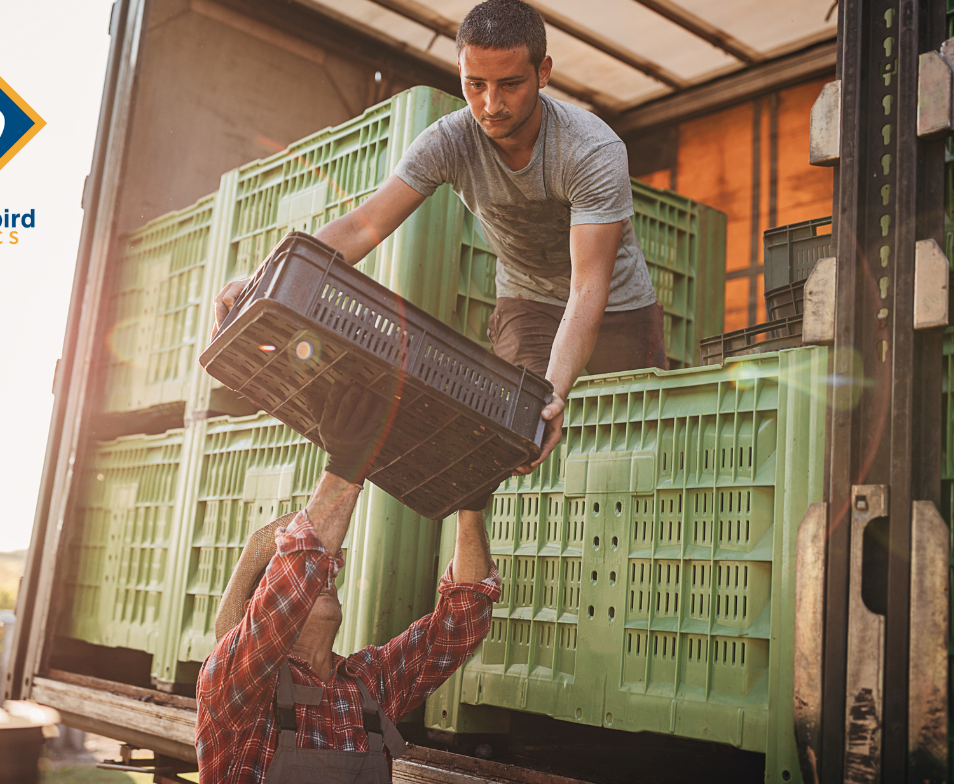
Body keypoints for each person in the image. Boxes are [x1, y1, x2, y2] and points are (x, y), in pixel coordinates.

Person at [212, 0, 663, 528]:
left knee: (642, 436)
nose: (491, 104)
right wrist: (267, 277)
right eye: (475, 85)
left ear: (543, 73)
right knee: (511, 433)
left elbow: (589, 288)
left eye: (510, 84)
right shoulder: (450, 140)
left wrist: (557, 391)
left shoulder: (591, 150)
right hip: (528, 299)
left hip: (619, 306)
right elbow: (364, 226)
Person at [196, 382, 501, 784]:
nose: (326, 574)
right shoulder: (238, 683)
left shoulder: (368, 683)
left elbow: (460, 623)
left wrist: (471, 504)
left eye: (329, 570)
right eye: (312, 571)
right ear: (256, 602)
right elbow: (286, 593)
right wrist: (345, 466)